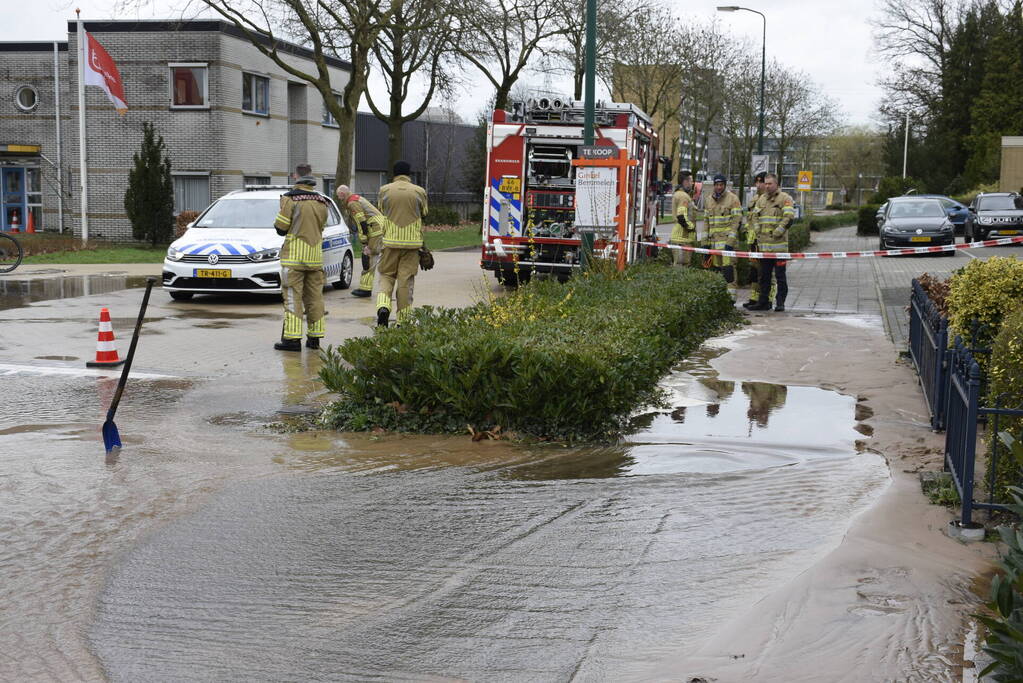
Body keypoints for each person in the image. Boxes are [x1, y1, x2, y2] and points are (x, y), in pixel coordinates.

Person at [273, 163, 330, 351]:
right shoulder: (322, 200)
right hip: (315, 258)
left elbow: (281, 228)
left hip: (294, 258)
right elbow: (322, 226)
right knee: (315, 298)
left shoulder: (291, 199)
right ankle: (314, 339)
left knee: (292, 297)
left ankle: (292, 339)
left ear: (296, 177)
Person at [375, 160, 428, 327]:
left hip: (390, 242)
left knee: (386, 276)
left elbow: (381, 211)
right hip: (412, 245)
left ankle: (383, 307)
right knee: (405, 281)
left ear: (394, 174)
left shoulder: (384, 190)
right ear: (409, 174)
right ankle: (403, 321)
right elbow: (424, 213)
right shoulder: (419, 191)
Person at [748, 172, 795, 312]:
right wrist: (757, 230)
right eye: (766, 183)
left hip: (779, 248)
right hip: (764, 248)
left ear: (776, 184)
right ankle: (763, 302)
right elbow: (755, 216)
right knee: (764, 276)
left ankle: (780, 303)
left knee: (780, 277)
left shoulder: (785, 198)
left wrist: (777, 232)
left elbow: (789, 217)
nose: (767, 186)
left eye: (770, 184)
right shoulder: (761, 199)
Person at [335, 185, 386, 298]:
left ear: (343, 195)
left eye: (339, 197)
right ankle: (365, 287)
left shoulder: (352, 203)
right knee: (372, 257)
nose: (339, 199)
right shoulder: (355, 199)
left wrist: (364, 242)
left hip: (375, 230)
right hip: (378, 228)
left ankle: (366, 289)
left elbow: (361, 222)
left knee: (368, 257)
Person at [703, 173, 741, 296]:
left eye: (721, 185)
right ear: (714, 185)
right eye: (717, 185)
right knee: (717, 273)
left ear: (724, 185)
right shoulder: (708, 200)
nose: (719, 187)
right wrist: (704, 244)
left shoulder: (733, 199)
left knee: (729, 273)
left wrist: (730, 243)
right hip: (714, 245)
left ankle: (731, 301)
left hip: (727, 245)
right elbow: (706, 223)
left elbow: (737, 221)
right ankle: (720, 299)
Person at [742, 171, 767, 309]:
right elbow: (749, 220)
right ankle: (754, 298)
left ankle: (766, 300)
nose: (758, 185)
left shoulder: (768, 200)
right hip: (752, 241)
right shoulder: (754, 199)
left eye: (761, 182)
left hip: (762, 241)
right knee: (754, 271)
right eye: (757, 182)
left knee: (765, 272)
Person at [670, 171, 696, 266]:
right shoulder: (683, 196)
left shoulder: (679, 194)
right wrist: (691, 228)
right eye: (691, 181)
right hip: (682, 239)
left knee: (680, 266)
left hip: (680, 238)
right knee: (681, 268)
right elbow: (681, 217)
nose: (692, 183)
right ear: (685, 181)